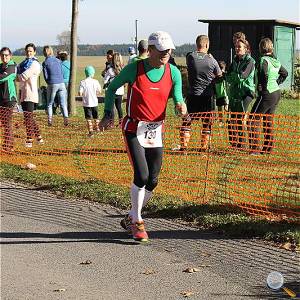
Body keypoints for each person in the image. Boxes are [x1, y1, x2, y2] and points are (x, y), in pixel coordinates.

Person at [99, 31, 187, 242]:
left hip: (156, 130)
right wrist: (108, 114)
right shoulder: (135, 69)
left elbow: (177, 96)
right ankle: (137, 221)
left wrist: (179, 105)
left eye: (170, 50)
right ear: (151, 50)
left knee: (153, 179)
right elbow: (111, 89)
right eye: (163, 51)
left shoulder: (173, 72)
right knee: (142, 175)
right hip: (133, 128)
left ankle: (131, 215)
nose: (167, 54)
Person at [177, 35, 222, 152]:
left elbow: (190, 55)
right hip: (207, 96)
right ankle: (203, 148)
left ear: (197, 45)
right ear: (207, 45)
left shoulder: (190, 57)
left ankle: (184, 147)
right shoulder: (212, 60)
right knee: (207, 123)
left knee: (187, 121)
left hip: (192, 95)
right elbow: (219, 76)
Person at [249, 38, 288, 155]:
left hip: (266, 94)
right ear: (271, 48)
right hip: (276, 92)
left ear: (261, 48)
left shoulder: (263, 60)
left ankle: (254, 149)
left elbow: (264, 74)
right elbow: (285, 73)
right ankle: (267, 148)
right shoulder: (275, 61)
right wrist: (277, 82)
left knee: (252, 119)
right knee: (267, 119)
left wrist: (262, 87)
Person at [226, 38, 255, 149]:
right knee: (233, 118)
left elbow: (243, 75)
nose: (237, 49)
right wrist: (233, 76)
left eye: (239, 47)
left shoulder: (250, 61)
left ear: (246, 49)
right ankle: (235, 144)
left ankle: (242, 144)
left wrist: (234, 76)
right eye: (236, 46)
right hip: (235, 92)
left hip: (247, 92)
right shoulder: (234, 60)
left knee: (241, 117)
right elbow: (228, 76)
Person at [17, 43, 43, 148]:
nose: (29, 53)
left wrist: (14, 76)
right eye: (27, 51)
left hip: (30, 93)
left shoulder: (35, 64)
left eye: (31, 51)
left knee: (28, 117)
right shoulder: (23, 63)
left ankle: (29, 139)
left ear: (34, 52)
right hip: (23, 93)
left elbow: (23, 77)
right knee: (29, 117)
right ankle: (39, 137)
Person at [42, 45, 69, 126]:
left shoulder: (45, 63)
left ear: (44, 53)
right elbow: (60, 71)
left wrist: (48, 83)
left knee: (50, 103)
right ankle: (66, 120)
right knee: (63, 103)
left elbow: (46, 76)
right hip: (61, 83)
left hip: (52, 83)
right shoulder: (58, 60)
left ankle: (50, 121)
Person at [0, 47, 17, 152]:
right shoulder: (0, 66)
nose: (4, 57)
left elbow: (2, 78)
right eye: (2, 55)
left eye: (6, 55)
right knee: (4, 122)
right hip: (0, 98)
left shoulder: (12, 66)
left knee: (7, 123)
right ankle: (7, 144)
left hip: (9, 99)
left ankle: (8, 146)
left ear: (10, 56)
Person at [79, 65, 102, 137]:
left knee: (88, 118)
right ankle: (98, 129)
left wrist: (81, 94)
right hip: (94, 102)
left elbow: (80, 93)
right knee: (96, 117)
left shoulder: (82, 82)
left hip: (86, 104)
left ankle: (91, 132)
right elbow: (99, 91)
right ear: (93, 73)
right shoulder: (96, 81)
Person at [103, 52, 125, 126]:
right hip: (121, 91)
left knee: (112, 108)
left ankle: (111, 123)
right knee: (119, 107)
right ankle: (121, 123)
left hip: (112, 91)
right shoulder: (123, 70)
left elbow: (105, 80)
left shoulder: (110, 70)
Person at [214, 60, 228, 127]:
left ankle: (228, 119)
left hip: (225, 94)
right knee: (220, 108)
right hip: (218, 94)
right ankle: (221, 121)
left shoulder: (225, 75)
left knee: (226, 108)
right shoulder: (215, 77)